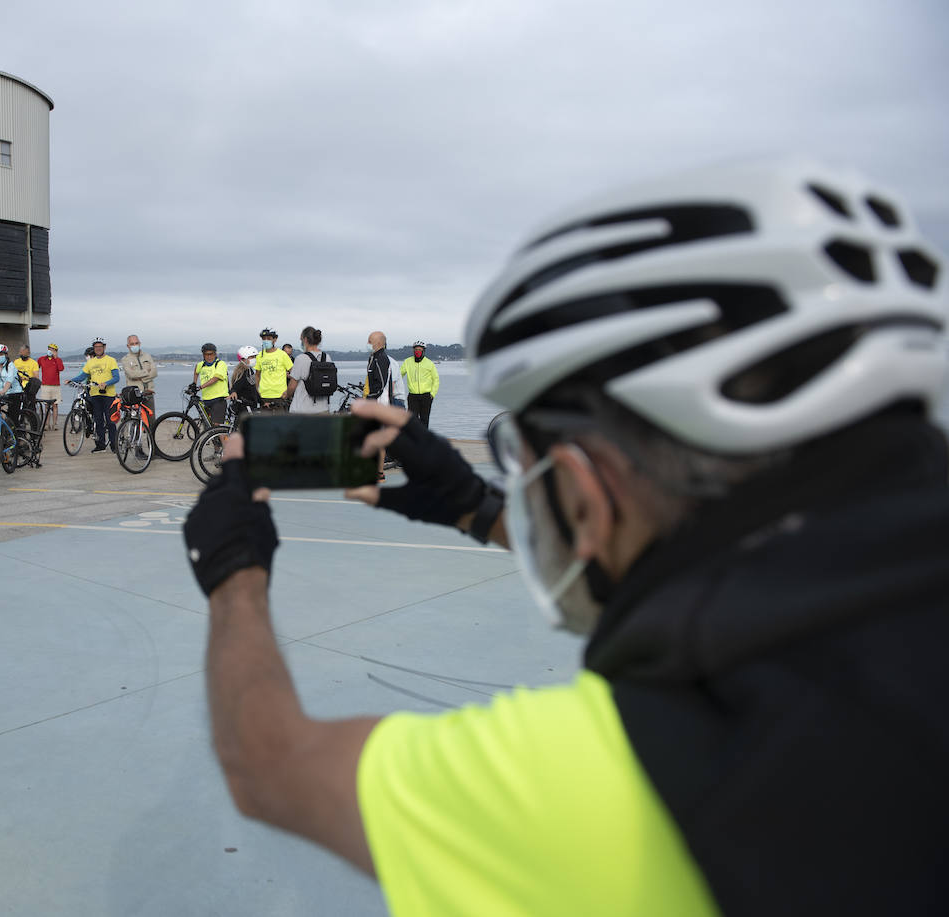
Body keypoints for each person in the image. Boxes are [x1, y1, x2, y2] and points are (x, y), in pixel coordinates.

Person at [182, 158, 949, 916]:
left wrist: (232, 565)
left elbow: (268, 763)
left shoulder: (627, 768)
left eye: (532, 458)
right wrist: (480, 507)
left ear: (584, 488)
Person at [364, 332, 406, 478]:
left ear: (379, 343)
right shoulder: (374, 358)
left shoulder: (381, 359)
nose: (368, 343)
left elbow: (381, 384)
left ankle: (379, 471)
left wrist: (369, 399)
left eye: (370, 341)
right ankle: (377, 471)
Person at [69, 337, 120, 453]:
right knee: (98, 420)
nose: (98, 349)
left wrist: (106, 383)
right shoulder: (91, 362)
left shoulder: (110, 360)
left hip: (108, 395)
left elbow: (117, 377)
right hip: (95, 395)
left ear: (104, 347)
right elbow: (82, 376)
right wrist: (71, 380)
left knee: (110, 420)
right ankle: (100, 445)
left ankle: (114, 445)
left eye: (100, 347)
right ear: (94, 348)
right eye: (96, 347)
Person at [285, 326, 332, 415]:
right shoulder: (327, 357)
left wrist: (285, 395)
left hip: (302, 410)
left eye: (301, 340)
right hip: (323, 409)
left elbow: (292, 386)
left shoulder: (301, 359)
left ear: (305, 340)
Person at [400, 341, 440, 428]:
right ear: (413, 350)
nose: (417, 351)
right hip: (413, 396)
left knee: (424, 419)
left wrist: (432, 394)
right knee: (411, 419)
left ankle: (424, 440)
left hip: (426, 396)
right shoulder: (407, 362)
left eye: (420, 350)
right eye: (416, 349)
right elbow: (399, 375)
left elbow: (436, 379)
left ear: (423, 351)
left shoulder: (429, 363)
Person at [255, 327, 292, 412]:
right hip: (264, 396)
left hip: (280, 395)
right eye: (264, 339)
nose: (266, 341)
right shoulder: (260, 355)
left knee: (280, 423)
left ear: (274, 340)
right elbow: (257, 375)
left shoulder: (282, 354)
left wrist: (288, 391)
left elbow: (293, 373)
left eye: (268, 339)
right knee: (265, 424)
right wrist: (257, 390)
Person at [120, 334, 158, 414]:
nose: (135, 345)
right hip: (134, 394)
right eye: (132, 344)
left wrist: (142, 378)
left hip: (148, 393)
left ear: (140, 343)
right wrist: (146, 372)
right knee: (133, 419)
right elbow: (131, 375)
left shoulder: (147, 356)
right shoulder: (125, 359)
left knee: (151, 420)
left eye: (136, 343)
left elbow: (154, 372)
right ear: (128, 346)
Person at [194, 343, 230, 426]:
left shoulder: (220, 364)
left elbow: (215, 379)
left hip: (218, 400)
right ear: (203, 355)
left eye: (211, 354)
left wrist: (200, 387)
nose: (209, 357)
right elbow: (196, 370)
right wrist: (194, 383)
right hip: (206, 400)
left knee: (216, 426)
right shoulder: (201, 365)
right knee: (207, 426)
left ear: (215, 354)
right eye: (206, 354)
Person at [37, 344, 64, 430]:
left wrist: (56, 358)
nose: (50, 351)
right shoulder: (41, 359)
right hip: (45, 386)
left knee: (55, 405)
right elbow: (35, 368)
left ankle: (55, 424)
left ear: (56, 351)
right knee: (46, 406)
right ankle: (46, 424)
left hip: (56, 386)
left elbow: (61, 368)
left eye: (53, 350)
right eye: (49, 349)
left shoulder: (58, 360)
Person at [229, 345, 261, 411]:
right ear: (244, 358)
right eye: (251, 357)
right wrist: (233, 392)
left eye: (254, 357)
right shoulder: (242, 372)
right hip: (244, 407)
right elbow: (236, 386)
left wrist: (262, 402)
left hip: (252, 405)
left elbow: (253, 388)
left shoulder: (250, 370)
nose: (254, 359)